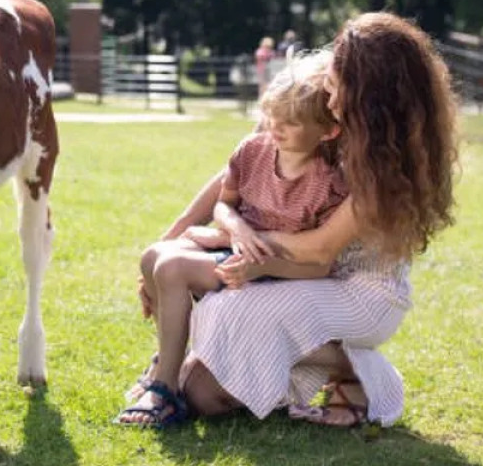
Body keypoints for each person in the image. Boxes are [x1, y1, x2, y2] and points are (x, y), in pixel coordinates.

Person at [140, 12, 459, 430]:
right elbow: (241, 168)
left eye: (337, 87)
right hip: (296, 270)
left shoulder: (384, 162)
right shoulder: (314, 92)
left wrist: (230, 235)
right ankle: (199, 372)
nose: (328, 96)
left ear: (369, 95)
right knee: (192, 360)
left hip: (355, 290)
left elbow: (322, 248)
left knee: (205, 373)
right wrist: (178, 235)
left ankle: (355, 367)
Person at [118, 52, 346, 426]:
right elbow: (224, 205)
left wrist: (262, 261)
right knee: (152, 257)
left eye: (290, 122)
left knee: (173, 266)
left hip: (276, 269)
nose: (275, 127)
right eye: (272, 115)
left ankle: (164, 389)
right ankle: (167, 364)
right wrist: (237, 228)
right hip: (236, 245)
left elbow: (321, 262)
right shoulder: (252, 151)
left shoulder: (328, 184)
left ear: (328, 131)